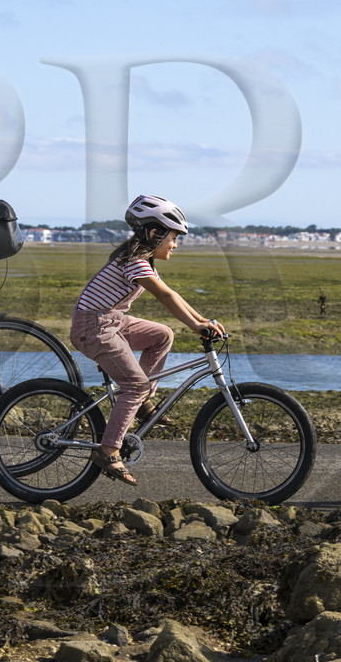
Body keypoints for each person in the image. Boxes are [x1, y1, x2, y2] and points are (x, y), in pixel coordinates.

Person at [69, 194, 225, 486]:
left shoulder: (142, 260)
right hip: (95, 327)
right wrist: (196, 326)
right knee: (135, 384)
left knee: (162, 335)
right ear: (155, 233)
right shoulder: (134, 261)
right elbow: (165, 297)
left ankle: (143, 403)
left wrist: (202, 321)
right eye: (174, 238)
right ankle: (109, 450)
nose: (176, 245)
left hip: (110, 320)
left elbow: (172, 293)